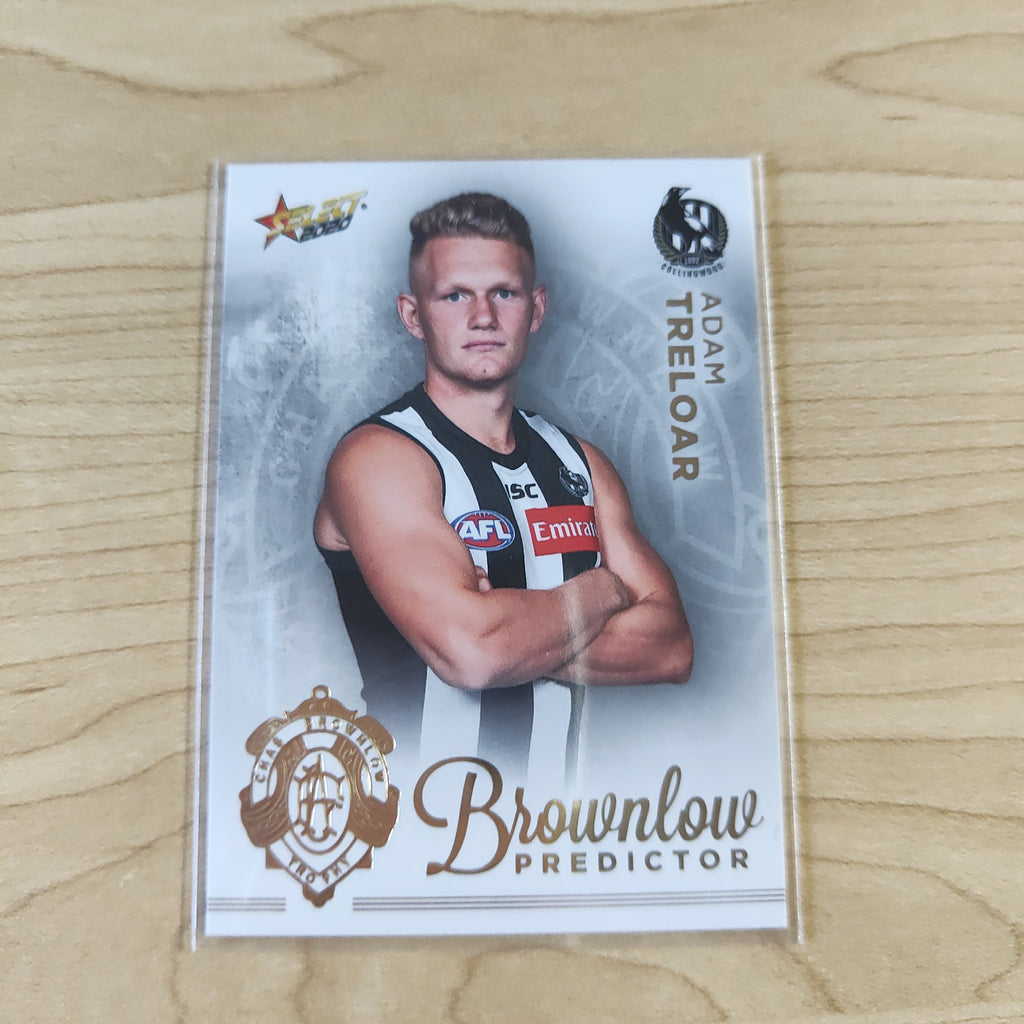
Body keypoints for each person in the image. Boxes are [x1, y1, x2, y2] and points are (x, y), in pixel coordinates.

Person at [314, 192, 692, 782]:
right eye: (455, 295)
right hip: (409, 817)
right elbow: (473, 653)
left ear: (535, 309)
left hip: (551, 823)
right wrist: (601, 591)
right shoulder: (379, 458)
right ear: (413, 315)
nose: (483, 316)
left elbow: (671, 648)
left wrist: (509, 624)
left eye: (504, 293)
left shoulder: (581, 464)